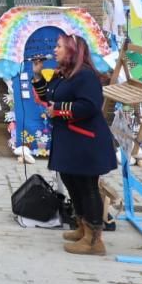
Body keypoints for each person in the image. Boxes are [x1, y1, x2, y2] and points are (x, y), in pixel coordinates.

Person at [33, 34, 118, 256]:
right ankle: (82, 227)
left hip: (85, 141)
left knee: (87, 187)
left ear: (71, 50)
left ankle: (94, 240)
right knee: (72, 182)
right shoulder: (64, 75)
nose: (55, 50)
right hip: (70, 140)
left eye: (59, 46)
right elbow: (48, 96)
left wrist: (58, 110)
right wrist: (37, 74)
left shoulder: (85, 76)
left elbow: (90, 106)